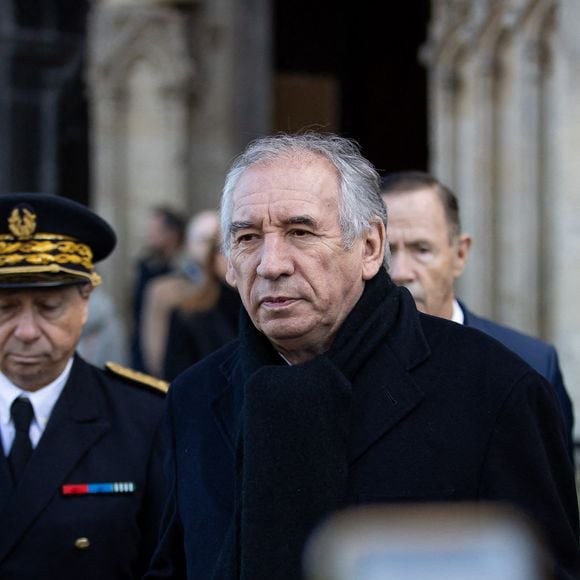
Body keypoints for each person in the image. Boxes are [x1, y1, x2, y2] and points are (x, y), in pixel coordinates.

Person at [145, 134, 579, 580]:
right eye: (248, 237)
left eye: (300, 232)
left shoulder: (494, 391)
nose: (271, 264)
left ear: (371, 247)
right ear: (229, 264)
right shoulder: (195, 397)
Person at [0, 193, 168, 579]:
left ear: (85, 301)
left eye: (49, 307)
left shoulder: (145, 418)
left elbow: (167, 562)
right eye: (5, 308)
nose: (26, 332)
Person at [380, 171, 575, 456]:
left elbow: (550, 492)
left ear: (460, 254)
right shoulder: (338, 361)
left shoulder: (529, 362)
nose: (399, 273)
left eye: (421, 249)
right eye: (387, 253)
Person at [142, 209, 221, 377]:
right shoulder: (166, 290)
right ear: (189, 243)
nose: (209, 250)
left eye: (217, 245)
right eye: (203, 241)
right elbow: (155, 354)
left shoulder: (233, 290)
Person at [162, 228, 241, 381]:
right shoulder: (188, 316)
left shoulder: (269, 311)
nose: (231, 258)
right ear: (211, 258)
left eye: (242, 245)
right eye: (223, 249)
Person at [130, 205, 185, 372]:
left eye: (155, 230)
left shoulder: (184, 272)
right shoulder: (145, 268)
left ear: (172, 234)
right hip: (141, 354)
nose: (149, 235)